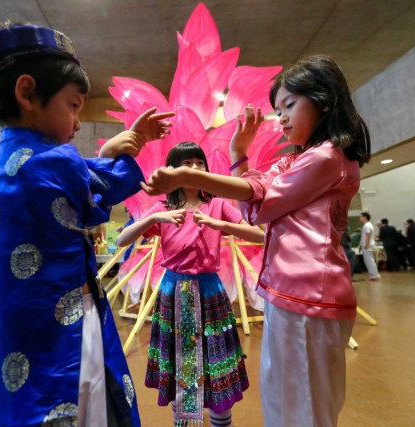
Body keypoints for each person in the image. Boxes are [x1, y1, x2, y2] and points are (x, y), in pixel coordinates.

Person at [141, 55, 371, 427]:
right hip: (232, 291)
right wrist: (238, 155)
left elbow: (256, 209)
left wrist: (213, 206)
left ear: (324, 100)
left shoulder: (327, 157)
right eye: (277, 109)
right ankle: (188, 419)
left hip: (298, 294)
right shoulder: (298, 160)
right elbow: (256, 197)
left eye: (289, 105)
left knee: (293, 397)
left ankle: (218, 419)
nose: (280, 117)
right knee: (274, 389)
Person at [0, 21, 174, 427]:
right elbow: (99, 188)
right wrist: (125, 152)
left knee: (22, 402)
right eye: (74, 106)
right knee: (79, 404)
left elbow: (75, 177)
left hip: (16, 316)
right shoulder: (59, 161)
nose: (77, 122)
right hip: (63, 317)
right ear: (27, 92)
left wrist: (110, 152)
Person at [116, 142, 262, 427]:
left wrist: (221, 226)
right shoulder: (163, 209)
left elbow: (258, 234)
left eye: (199, 163)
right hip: (174, 293)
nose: (195, 168)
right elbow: (122, 241)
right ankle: (183, 422)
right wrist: (155, 217)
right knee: (180, 366)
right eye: (187, 164)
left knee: (217, 366)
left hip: (210, 292)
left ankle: (222, 421)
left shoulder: (218, 205)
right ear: (172, 172)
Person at [359, 212, 381, 280]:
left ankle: (374, 276)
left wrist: (366, 245)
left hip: (368, 245)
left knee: (369, 261)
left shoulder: (367, 225)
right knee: (369, 261)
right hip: (369, 245)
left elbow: (367, 235)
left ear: (365, 217)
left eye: (361, 216)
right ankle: (374, 275)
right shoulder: (368, 225)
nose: (360, 218)